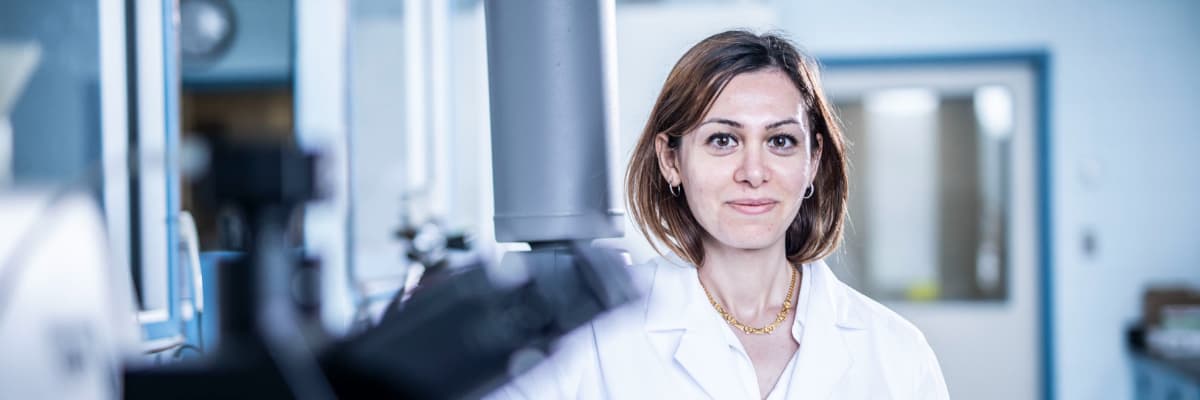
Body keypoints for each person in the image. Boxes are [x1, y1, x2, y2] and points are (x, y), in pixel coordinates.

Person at [487, 30, 949, 400]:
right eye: (723, 140)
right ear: (672, 161)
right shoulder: (594, 342)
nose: (753, 172)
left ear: (812, 161)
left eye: (781, 141)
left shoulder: (895, 352)